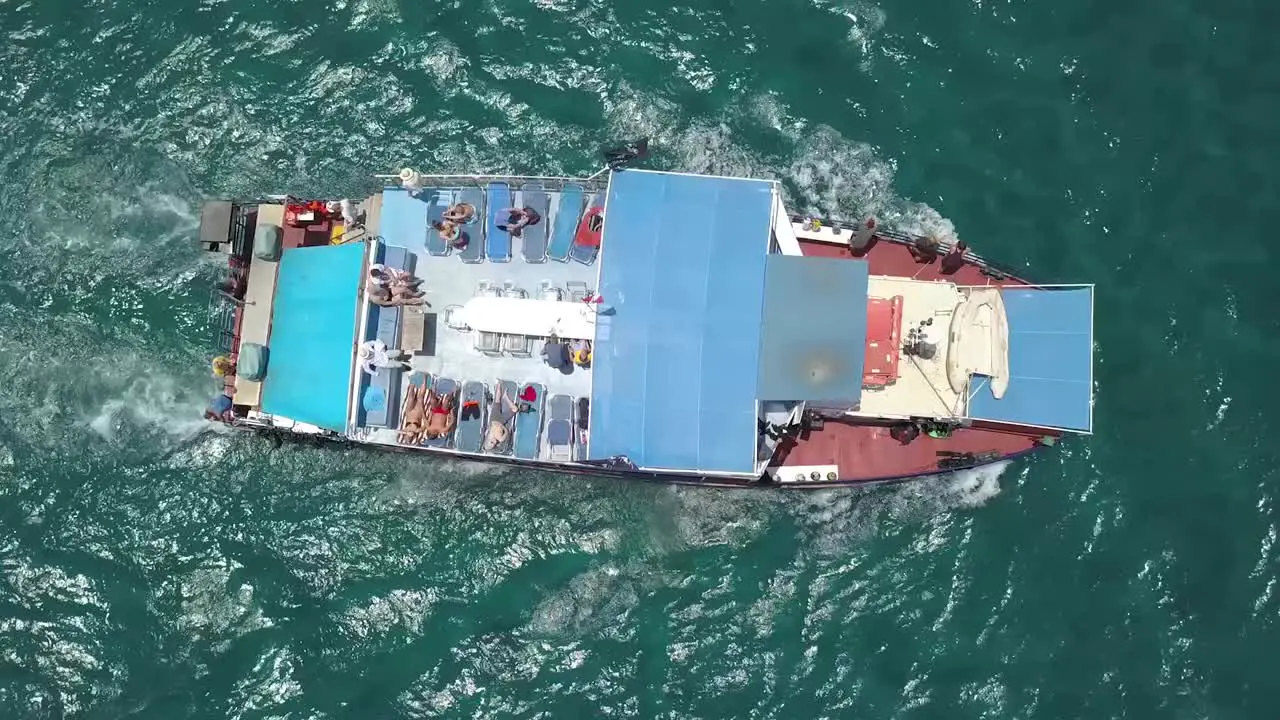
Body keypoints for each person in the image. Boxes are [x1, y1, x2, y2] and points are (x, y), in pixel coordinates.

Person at [482, 385, 519, 452]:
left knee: (497, 400)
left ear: (489, 440)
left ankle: (499, 384)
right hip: (502, 420)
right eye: (494, 444)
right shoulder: (500, 439)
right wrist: (502, 426)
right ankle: (506, 398)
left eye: (492, 442)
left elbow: (491, 424)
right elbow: (507, 432)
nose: (495, 442)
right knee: (515, 409)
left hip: (494, 417)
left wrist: (496, 425)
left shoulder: (489, 433)